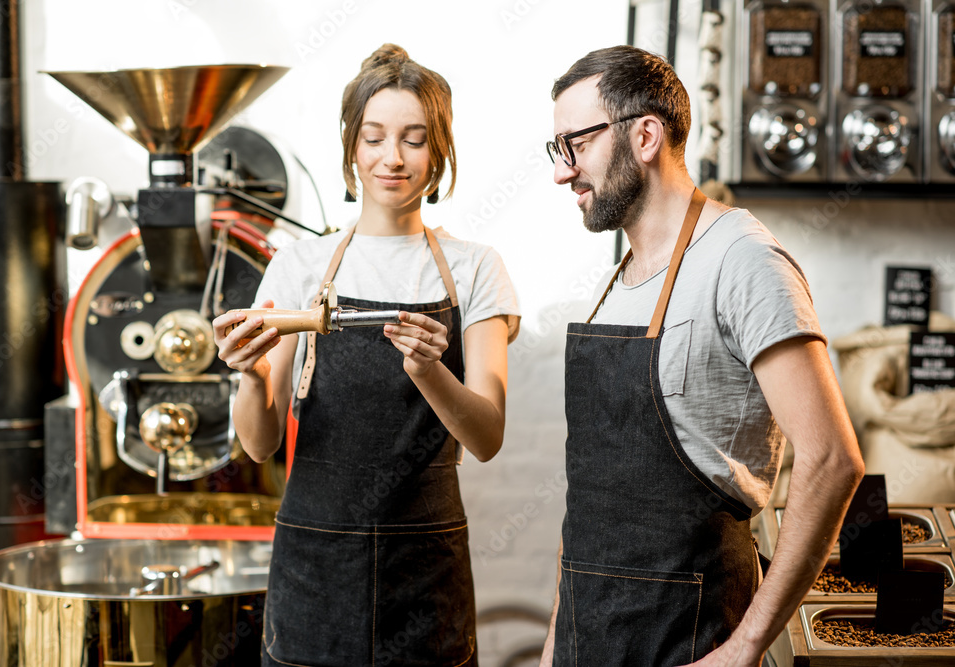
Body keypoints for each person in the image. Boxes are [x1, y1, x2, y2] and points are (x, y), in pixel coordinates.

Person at [539, 46, 864, 666]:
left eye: (574, 145)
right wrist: (559, 633)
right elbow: (591, 499)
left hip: (687, 638)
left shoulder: (740, 260)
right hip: (588, 639)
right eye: (558, 151)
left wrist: (743, 648)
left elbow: (832, 460)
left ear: (644, 135)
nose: (563, 172)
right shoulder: (620, 279)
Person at [213, 44, 520, 666]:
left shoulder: (474, 269)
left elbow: (487, 436)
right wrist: (249, 377)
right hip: (314, 563)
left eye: (414, 139)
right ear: (353, 146)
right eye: (375, 137)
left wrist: (431, 372)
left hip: (425, 566)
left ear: (440, 151)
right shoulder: (300, 265)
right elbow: (259, 443)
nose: (393, 158)